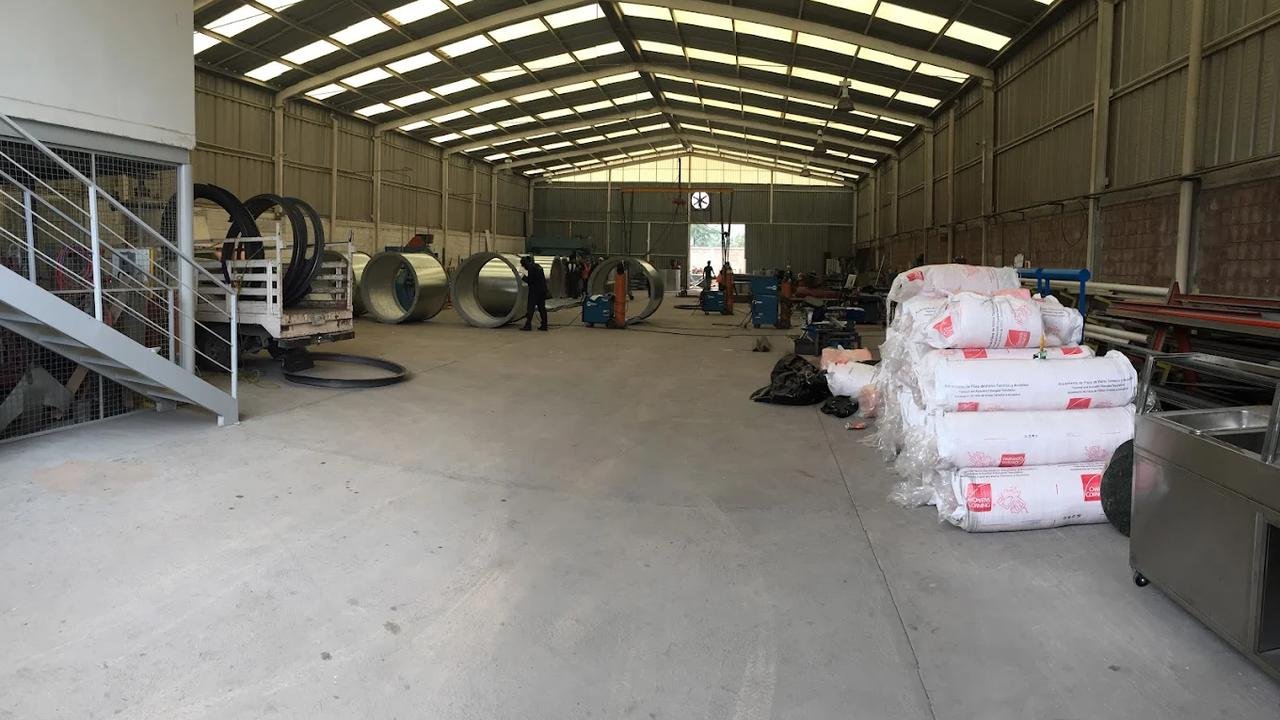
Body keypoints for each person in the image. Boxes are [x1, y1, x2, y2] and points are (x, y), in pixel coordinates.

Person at [519, 255, 548, 331]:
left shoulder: (531, 268)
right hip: (542, 291)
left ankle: (528, 325)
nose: (524, 267)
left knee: (530, 308)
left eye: (524, 265)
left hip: (535, 292)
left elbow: (530, 281)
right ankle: (544, 325)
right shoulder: (538, 267)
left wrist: (522, 277)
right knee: (542, 308)